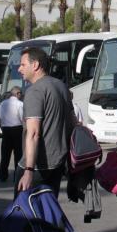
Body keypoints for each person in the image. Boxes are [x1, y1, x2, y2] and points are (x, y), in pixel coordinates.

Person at [16, 47, 74, 198]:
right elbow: (73, 122)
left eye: (22, 64)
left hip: (37, 168)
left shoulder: (35, 91)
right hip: (57, 165)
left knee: (23, 216)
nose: (19, 69)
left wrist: (28, 170)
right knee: (46, 213)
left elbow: (33, 133)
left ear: (35, 65)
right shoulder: (61, 86)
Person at [0, 86, 24, 182]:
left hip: (6, 130)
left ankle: (2, 175)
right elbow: (22, 118)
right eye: (20, 93)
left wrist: (2, 128)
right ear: (17, 94)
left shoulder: (3, 103)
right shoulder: (20, 104)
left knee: (5, 154)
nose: (21, 95)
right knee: (18, 154)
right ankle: (17, 176)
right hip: (17, 129)